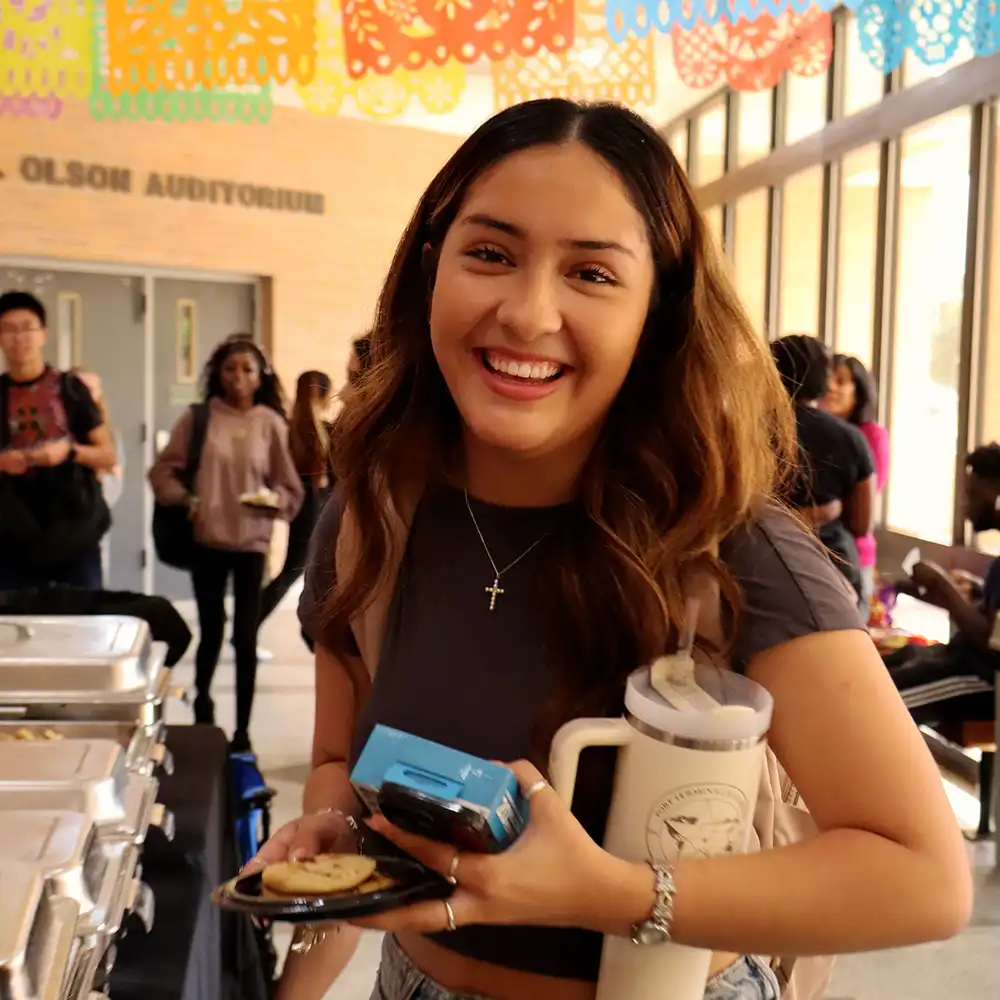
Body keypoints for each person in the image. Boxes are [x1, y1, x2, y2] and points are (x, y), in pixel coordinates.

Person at [250, 100, 970, 1000]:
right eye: (490, 253)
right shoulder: (371, 517)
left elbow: (922, 878)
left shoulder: (732, 549)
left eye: (590, 273)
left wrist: (614, 893)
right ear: (430, 267)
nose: (526, 312)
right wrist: (331, 840)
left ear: (655, 316)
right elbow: (335, 769)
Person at [149, 336, 303, 754]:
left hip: (251, 542)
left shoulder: (271, 423)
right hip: (207, 539)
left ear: (260, 377)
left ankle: (243, 731)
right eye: (230, 369)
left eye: (247, 370)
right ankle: (202, 705)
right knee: (212, 631)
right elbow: (162, 472)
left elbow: (290, 488)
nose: (238, 377)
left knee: (246, 637)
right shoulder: (198, 418)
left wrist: (276, 503)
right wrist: (186, 498)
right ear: (218, 373)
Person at [0, 291, 117, 590]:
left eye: (27, 328)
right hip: (13, 537)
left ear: (43, 335)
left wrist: (69, 451)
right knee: (14, 629)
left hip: (74, 533)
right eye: (9, 329)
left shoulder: (70, 388)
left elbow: (107, 456)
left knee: (87, 625)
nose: (19, 338)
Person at [885, 443, 1000, 724]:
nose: (965, 504)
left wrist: (942, 584)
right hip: (963, 657)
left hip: (984, 679)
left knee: (879, 708)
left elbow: (991, 643)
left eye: (973, 494)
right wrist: (973, 590)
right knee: (886, 666)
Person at [770, 335, 875, 604]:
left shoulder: (751, 430)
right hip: (833, 567)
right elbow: (862, 525)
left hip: (766, 563)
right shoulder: (850, 438)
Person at [256, 370, 334, 629]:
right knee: (297, 571)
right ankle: (249, 624)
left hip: (300, 509)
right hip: (318, 510)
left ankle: (249, 624)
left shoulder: (288, 430)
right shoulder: (325, 432)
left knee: (295, 570)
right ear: (324, 394)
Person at [824, 355, 889, 604]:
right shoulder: (819, 431)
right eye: (828, 380)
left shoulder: (872, 435)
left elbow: (866, 500)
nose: (831, 388)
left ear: (859, 391)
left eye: (841, 382)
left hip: (854, 555)